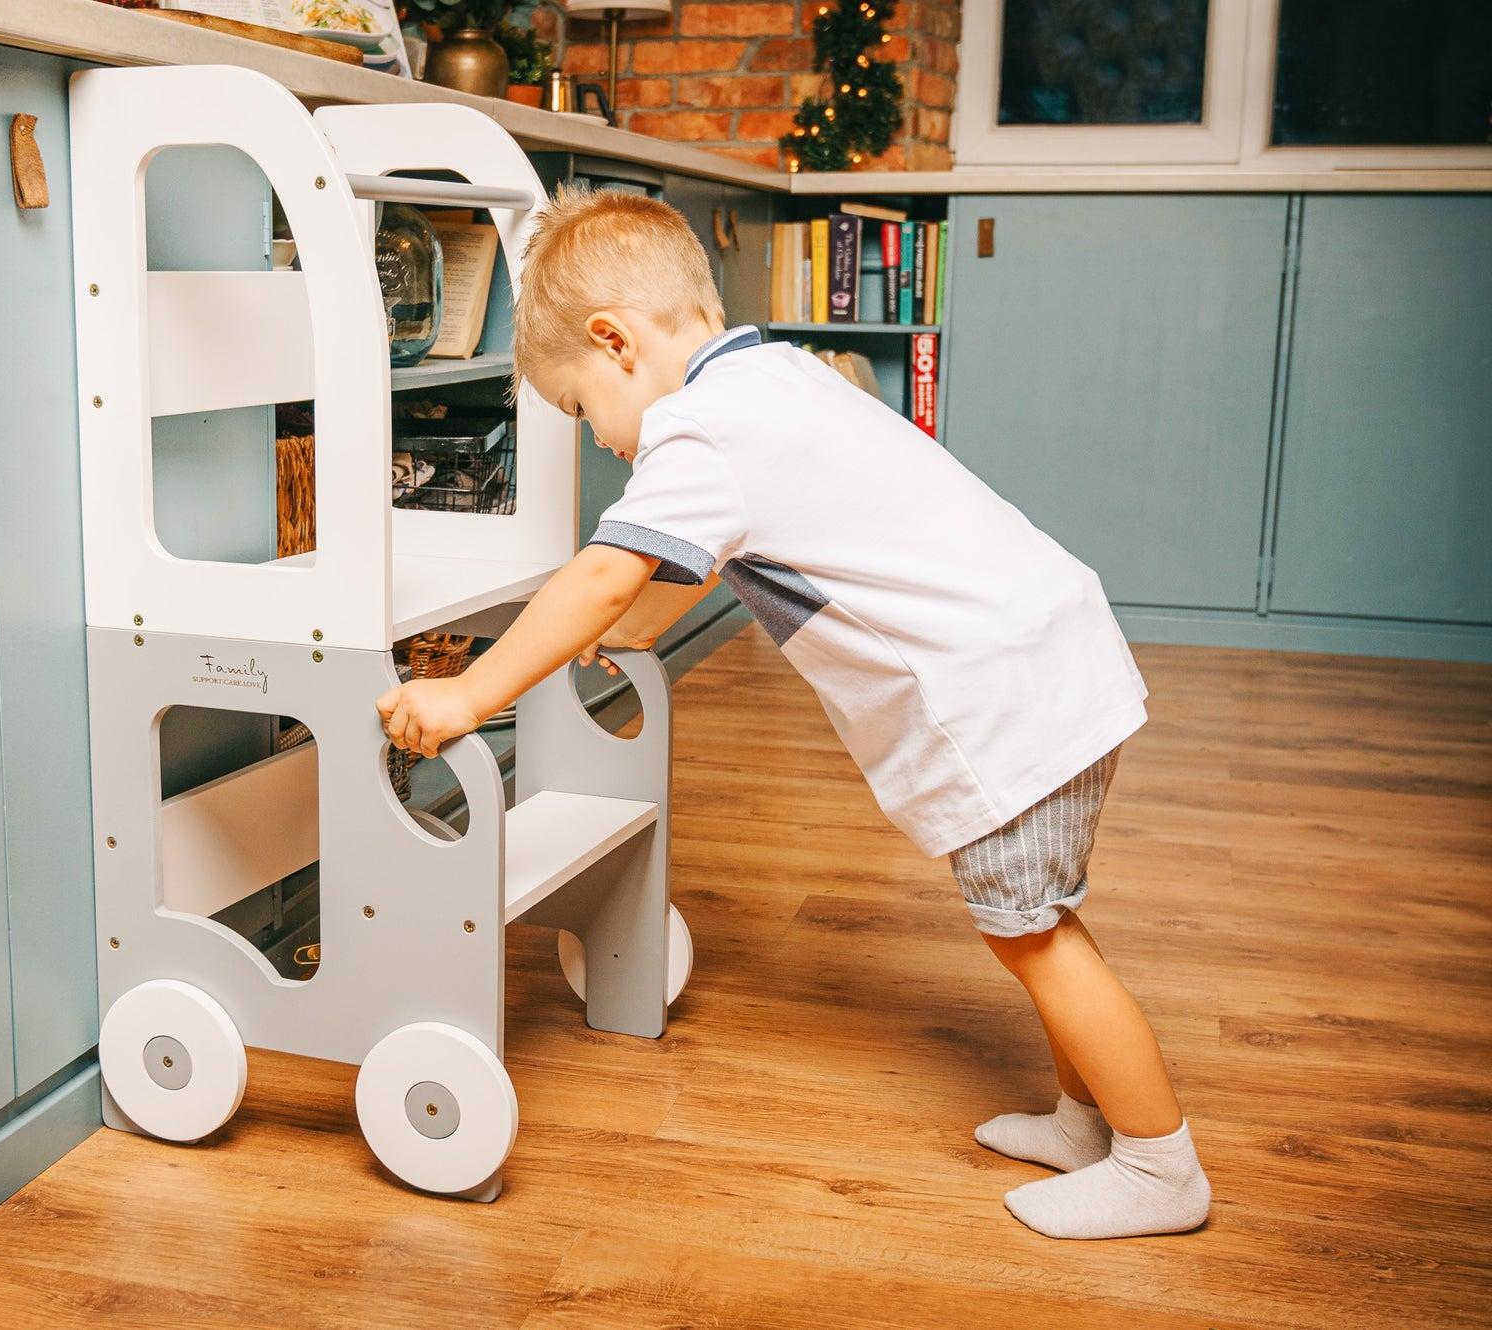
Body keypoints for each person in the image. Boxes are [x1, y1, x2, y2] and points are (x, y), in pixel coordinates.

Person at [376, 186, 1211, 1240]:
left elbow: (602, 573)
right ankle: (1088, 1122)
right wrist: (633, 630)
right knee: (1036, 917)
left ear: (614, 341)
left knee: (1033, 935)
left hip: (1001, 698)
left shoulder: (699, 432)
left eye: (581, 409)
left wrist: (467, 691)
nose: (601, 442)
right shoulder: (774, 378)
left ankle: (1158, 1166)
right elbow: (703, 562)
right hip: (1046, 658)